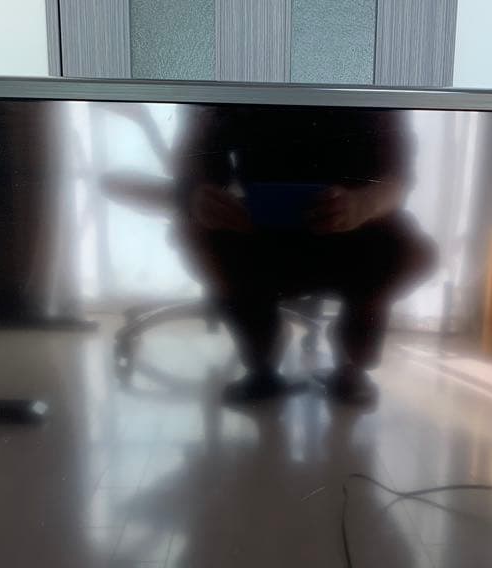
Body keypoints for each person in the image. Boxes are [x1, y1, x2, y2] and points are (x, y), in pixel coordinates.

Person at [172, 105, 436, 405]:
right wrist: (198, 196)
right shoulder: (230, 86)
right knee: (196, 233)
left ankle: (350, 361)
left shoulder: (377, 93)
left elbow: (398, 178)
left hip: (355, 230)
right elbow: (194, 165)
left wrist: (364, 205)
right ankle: (263, 359)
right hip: (257, 230)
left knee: (411, 251)